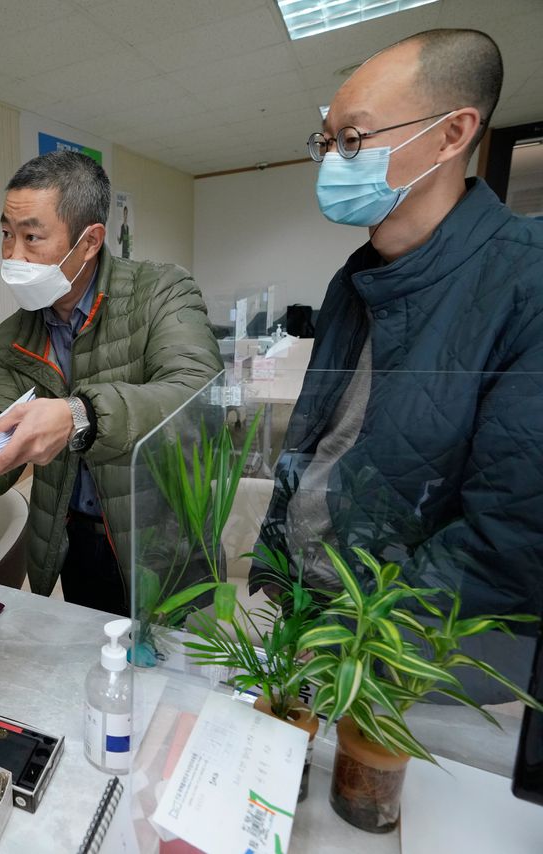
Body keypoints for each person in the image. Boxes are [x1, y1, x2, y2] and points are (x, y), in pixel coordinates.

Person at [251, 30, 543, 691]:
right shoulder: (354, 281)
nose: (330, 162)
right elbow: (320, 447)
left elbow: (510, 537)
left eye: (351, 140)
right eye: (325, 143)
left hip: (404, 649)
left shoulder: (526, 283)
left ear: (451, 134)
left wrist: (360, 646)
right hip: (308, 605)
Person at [0, 152, 222, 614]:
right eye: (6, 234)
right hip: (73, 538)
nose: (13, 255)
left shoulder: (162, 292)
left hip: (160, 539)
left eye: (32, 238)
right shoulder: (14, 334)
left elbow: (197, 398)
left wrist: (79, 414)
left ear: (89, 242)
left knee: (169, 675)